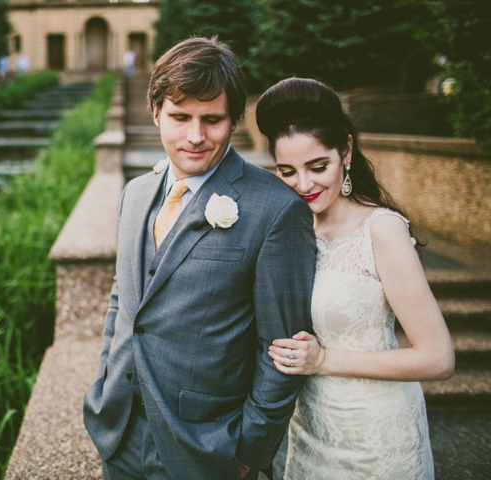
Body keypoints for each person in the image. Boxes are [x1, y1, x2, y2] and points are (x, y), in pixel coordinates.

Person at [83, 37, 317, 480]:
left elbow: (282, 350)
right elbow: (123, 303)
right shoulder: (134, 195)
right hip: (118, 437)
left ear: (233, 121)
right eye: (179, 117)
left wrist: (248, 452)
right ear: (156, 111)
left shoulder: (275, 209)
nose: (195, 136)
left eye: (212, 119)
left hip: (210, 452)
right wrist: (103, 390)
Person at [255, 77, 455, 479]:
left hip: (375, 439)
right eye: (287, 171)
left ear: (346, 150)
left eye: (317, 166)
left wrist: (325, 360)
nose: (304, 185)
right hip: (310, 432)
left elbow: (438, 358)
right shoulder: (293, 230)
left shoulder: (381, 230)